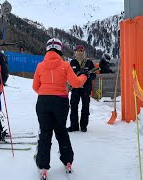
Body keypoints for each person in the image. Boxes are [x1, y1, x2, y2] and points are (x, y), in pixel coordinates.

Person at [32, 37, 90, 177]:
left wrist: (46, 93)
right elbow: (76, 83)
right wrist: (84, 75)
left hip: (43, 102)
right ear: (60, 50)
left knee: (45, 134)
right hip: (61, 102)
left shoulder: (40, 66)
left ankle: (43, 166)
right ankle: (67, 160)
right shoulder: (65, 65)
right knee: (61, 131)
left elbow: (35, 87)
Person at [67, 45, 96, 132]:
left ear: (83, 52)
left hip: (86, 89)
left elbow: (94, 75)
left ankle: (83, 126)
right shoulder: (72, 62)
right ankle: (74, 126)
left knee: (85, 108)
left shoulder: (89, 62)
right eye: (77, 51)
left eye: (81, 51)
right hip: (75, 89)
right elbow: (68, 75)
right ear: (75, 52)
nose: (79, 52)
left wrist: (87, 77)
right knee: (73, 107)